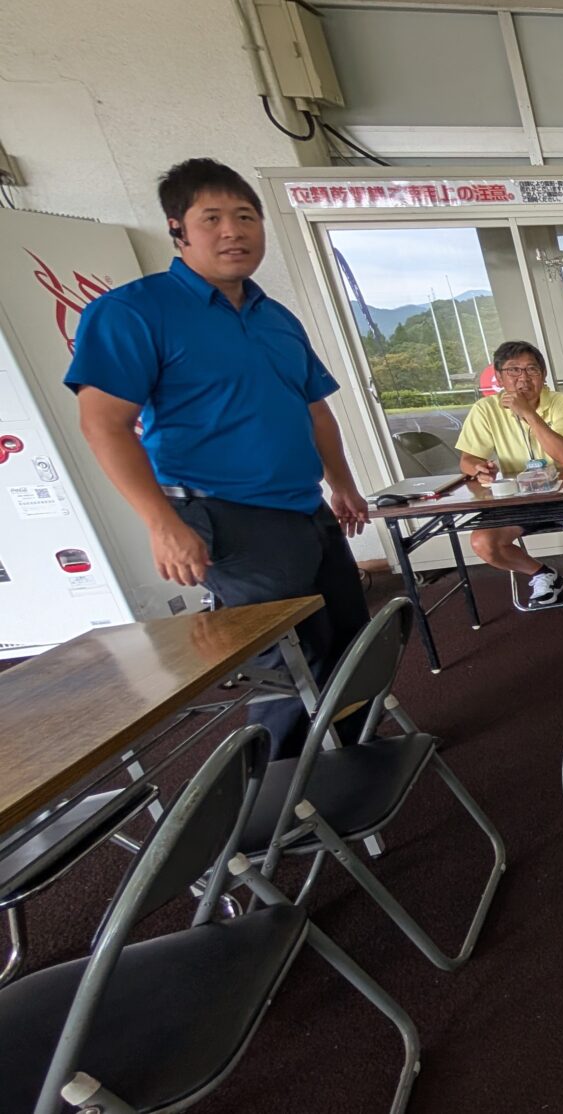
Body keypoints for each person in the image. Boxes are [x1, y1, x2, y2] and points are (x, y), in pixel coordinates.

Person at [66, 157, 370, 759]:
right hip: (225, 515)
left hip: (305, 510)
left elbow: (314, 411)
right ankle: (282, 791)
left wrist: (343, 484)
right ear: (177, 229)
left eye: (246, 216)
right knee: (292, 663)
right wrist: (162, 524)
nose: (234, 231)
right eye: (213, 218)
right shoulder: (134, 311)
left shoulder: (275, 317)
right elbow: (104, 425)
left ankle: (355, 754)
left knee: (350, 641)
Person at [455, 340, 563, 607]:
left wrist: (529, 414)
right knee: (483, 542)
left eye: (531, 370)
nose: (523, 378)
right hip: (517, 500)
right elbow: (467, 460)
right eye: (513, 370)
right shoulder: (485, 409)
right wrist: (478, 468)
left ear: (543, 374)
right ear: (499, 377)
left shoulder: (562, 403)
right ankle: (541, 574)